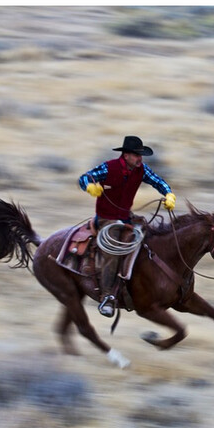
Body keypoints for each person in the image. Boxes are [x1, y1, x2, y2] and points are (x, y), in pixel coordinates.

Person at [78, 135, 176, 317]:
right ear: (126, 155)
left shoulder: (142, 169)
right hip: (106, 218)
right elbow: (84, 178)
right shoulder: (109, 167)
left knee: (150, 237)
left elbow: (158, 181)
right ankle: (107, 297)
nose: (140, 159)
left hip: (125, 216)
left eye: (141, 155)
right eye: (137, 155)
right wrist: (90, 186)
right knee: (114, 250)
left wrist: (169, 193)